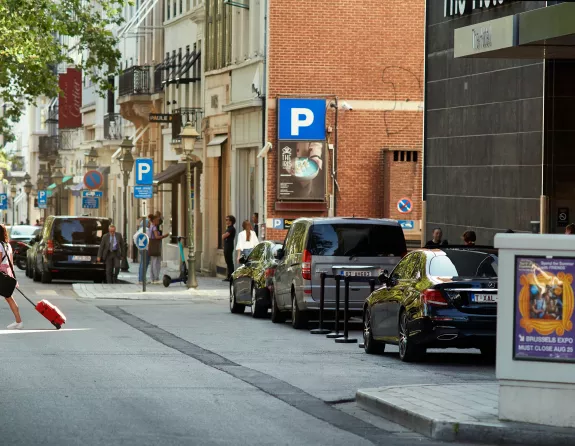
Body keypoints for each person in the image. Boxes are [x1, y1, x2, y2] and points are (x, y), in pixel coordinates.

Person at [0, 224, 23, 329]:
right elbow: (11, 263)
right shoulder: (8, 245)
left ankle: (19, 321)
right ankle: (19, 321)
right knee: (9, 298)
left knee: (9, 298)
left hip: (1, 273)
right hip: (7, 273)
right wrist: (12, 277)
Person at [148, 216, 170, 285]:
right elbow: (157, 237)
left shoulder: (151, 226)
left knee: (152, 263)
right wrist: (165, 236)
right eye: (157, 220)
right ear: (154, 220)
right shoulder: (154, 227)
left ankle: (152, 278)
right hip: (156, 246)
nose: (158, 222)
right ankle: (156, 278)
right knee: (156, 262)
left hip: (152, 245)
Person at [222, 215, 236, 281]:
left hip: (229, 246)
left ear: (231, 221)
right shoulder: (228, 228)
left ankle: (231, 276)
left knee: (229, 261)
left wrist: (223, 235)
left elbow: (224, 236)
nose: (226, 221)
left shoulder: (231, 228)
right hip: (227, 246)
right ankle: (229, 276)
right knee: (228, 261)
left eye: (227, 220)